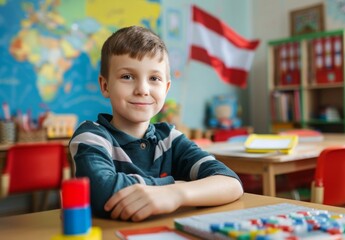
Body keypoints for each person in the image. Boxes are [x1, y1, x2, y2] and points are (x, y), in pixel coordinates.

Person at [69, 26, 243, 222]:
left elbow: (230, 183)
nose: (143, 89)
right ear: (105, 85)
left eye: (154, 78)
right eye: (127, 76)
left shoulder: (170, 139)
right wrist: (175, 185)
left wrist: (175, 194)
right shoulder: (91, 136)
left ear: (166, 88)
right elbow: (102, 192)